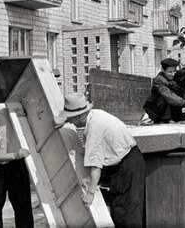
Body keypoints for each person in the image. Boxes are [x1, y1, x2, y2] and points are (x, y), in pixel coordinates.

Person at [60, 92, 144, 228]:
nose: (71, 122)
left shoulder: (94, 129)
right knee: (127, 207)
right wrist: (64, 121)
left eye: (71, 118)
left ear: (81, 115)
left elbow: (95, 166)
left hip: (126, 164)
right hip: (129, 159)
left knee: (125, 212)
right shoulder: (95, 114)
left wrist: (90, 193)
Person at [143, 58, 185, 123]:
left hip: (170, 109)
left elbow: (184, 73)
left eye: (174, 71)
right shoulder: (159, 81)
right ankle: (167, 120)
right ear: (163, 70)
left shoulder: (172, 77)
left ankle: (178, 118)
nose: (173, 74)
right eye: (170, 72)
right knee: (166, 98)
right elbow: (170, 96)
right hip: (156, 110)